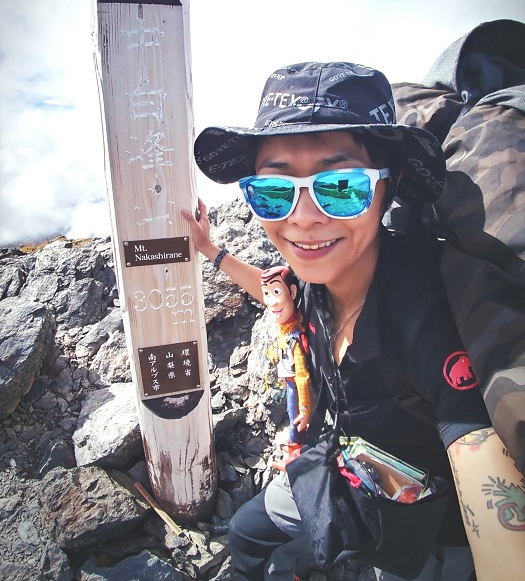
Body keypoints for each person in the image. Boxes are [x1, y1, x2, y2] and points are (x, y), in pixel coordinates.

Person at [182, 62, 525, 581]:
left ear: (390, 186)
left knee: (286, 566)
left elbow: (480, 459)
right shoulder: (318, 277)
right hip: (343, 464)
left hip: (422, 521)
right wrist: (212, 251)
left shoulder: (427, 310)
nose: (302, 218)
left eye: (341, 186)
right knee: (248, 535)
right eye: (273, 192)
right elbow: (273, 289)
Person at [260, 266, 312, 468]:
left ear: (291, 292)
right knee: (292, 418)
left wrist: (305, 407)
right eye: (266, 294)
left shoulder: (294, 338)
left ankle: (295, 456)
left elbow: (302, 375)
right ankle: (294, 448)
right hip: (288, 380)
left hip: (295, 385)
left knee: (295, 419)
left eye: (276, 292)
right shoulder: (287, 328)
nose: (271, 302)